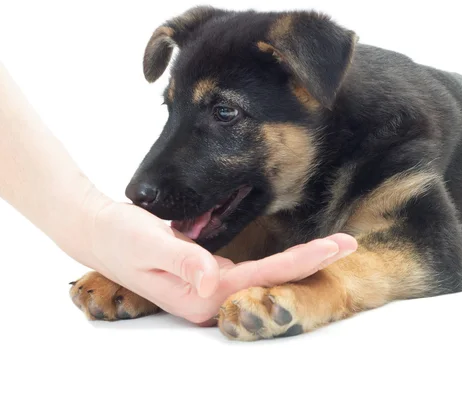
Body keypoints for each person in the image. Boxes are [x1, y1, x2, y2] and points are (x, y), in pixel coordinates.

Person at [0, 62, 357, 324]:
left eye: (225, 112)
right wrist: (156, 267)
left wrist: (318, 290)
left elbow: (409, 243)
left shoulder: (399, 151)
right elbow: (272, 226)